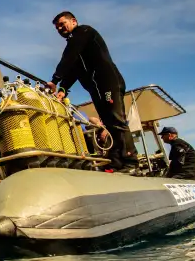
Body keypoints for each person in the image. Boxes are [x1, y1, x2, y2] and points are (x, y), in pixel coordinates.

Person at [45, 11, 139, 173]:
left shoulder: (84, 32)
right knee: (109, 123)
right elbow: (73, 69)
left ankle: (131, 161)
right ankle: (117, 161)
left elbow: (69, 56)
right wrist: (63, 89)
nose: (60, 28)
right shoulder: (75, 46)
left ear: (73, 21)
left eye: (62, 24)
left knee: (117, 121)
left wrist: (54, 80)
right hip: (96, 88)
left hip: (108, 82)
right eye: (57, 27)